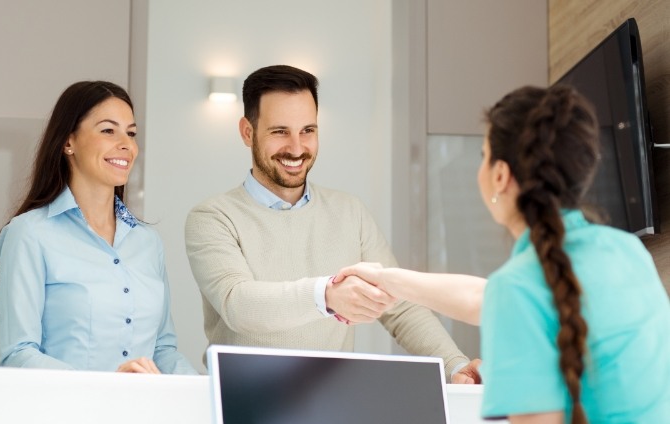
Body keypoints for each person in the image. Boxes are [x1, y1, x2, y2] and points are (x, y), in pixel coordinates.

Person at [336, 84, 670, 424]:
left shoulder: (525, 286)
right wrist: (390, 278)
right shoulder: (625, 252)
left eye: (484, 154)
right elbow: (485, 296)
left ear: (499, 175)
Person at [184, 64, 480, 383]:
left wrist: (454, 365)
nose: (297, 148)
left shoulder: (349, 212)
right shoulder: (213, 217)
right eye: (280, 131)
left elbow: (400, 306)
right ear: (247, 132)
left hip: (330, 402)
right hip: (242, 403)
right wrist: (326, 295)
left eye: (307, 130)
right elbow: (238, 304)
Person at [0, 81, 197, 375]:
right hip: (67, 415)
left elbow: (162, 349)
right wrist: (105, 385)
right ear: (68, 142)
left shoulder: (148, 242)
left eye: (131, 133)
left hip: (143, 414)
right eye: (108, 130)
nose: (127, 144)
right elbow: (18, 354)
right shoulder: (29, 233)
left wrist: (202, 387)